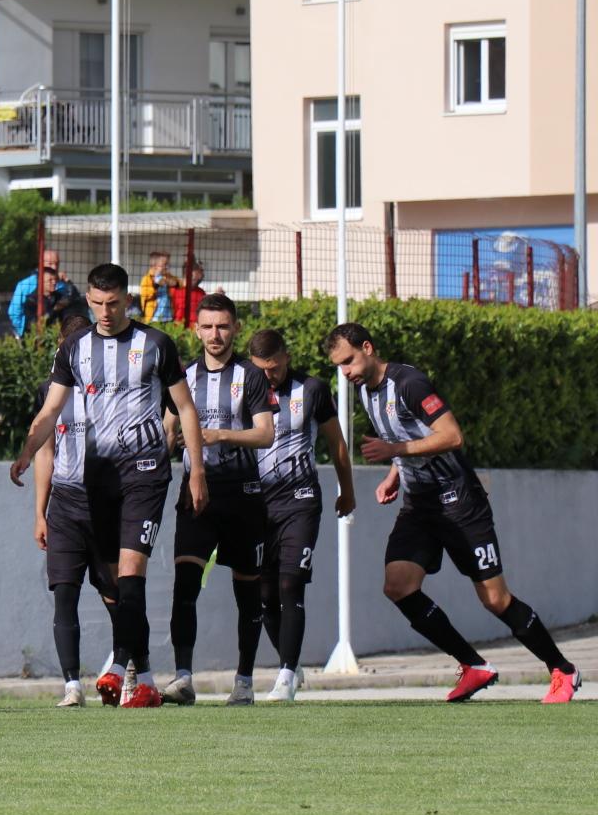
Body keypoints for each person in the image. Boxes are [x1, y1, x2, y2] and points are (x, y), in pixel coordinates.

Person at [324, 323, 581, 704]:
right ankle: (473, 665)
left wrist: (396, 453)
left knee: (495, 600)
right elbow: (406, 434)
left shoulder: (409, 383)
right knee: (398, 586)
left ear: (368, 347)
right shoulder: (365, 391)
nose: (345, 372)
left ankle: (562, 669)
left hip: (459, 502)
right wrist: (396, 475)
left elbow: (451, 436)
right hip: (419, 504)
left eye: (348, 361)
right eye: (338, 367)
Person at [11, 262, 205, 709]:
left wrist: (196, 470)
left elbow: (186, 409)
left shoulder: (156, 344)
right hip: (95, 477)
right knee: (112, 582)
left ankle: (132, 674)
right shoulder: (75, 348)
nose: (104, 311)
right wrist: (27, 450)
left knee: (131, 573)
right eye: (96, 303)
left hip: (144, 473)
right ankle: (139, 673)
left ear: (127, 300)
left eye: (112, 303)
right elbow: (51, 408)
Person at [160, 293, 274, 707]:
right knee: (185, 583)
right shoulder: (183, 377)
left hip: (243, 494)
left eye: (223, 326)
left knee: (247, 591)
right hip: (196, 493)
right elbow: (167, 431)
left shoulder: (252, 376)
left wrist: (219, 434)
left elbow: (266, 434)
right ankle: (184, 677)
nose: (215, 335)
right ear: (196, 329)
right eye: (207, 326)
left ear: (236, 328)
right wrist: (166, 442)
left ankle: (243, 680)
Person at [246, 327, 355, 702]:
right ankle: (289, 662)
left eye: (274, 368)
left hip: (300, 498)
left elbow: (335, 441)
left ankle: (287, 675)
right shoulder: (243, 387)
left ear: (286, 357)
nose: (268, 376)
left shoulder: (312, 389)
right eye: (261, 369)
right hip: (256, 503)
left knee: (291, 584)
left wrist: (348, 490)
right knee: (264, 594)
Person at [29, 313, 124, 707]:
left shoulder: (115, 388)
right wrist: (40, 511)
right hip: (65, 504)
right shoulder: (49, 393)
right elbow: (45, 452)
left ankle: (125, 670)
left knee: (118, 593)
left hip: (107, 502)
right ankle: (72, 685)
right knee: (64, 594)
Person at [8, 250, 62, 338]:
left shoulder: (61, 283)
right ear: (41, 263)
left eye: (57, 264)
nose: (54, 267)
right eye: (50, 263)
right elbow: (14, 311)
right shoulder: (24, 285)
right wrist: (24, 331)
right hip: (31, 334)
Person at [139, 251, 182, 325]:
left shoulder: (167, 276)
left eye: (168, 264)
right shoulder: (147, 279)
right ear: (155, 266)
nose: (167, 267)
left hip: (168, 316)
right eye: (164, 264)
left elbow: (179, 284)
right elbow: (146, 295)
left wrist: (168, 281)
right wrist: (156, 284)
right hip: (153, 317)